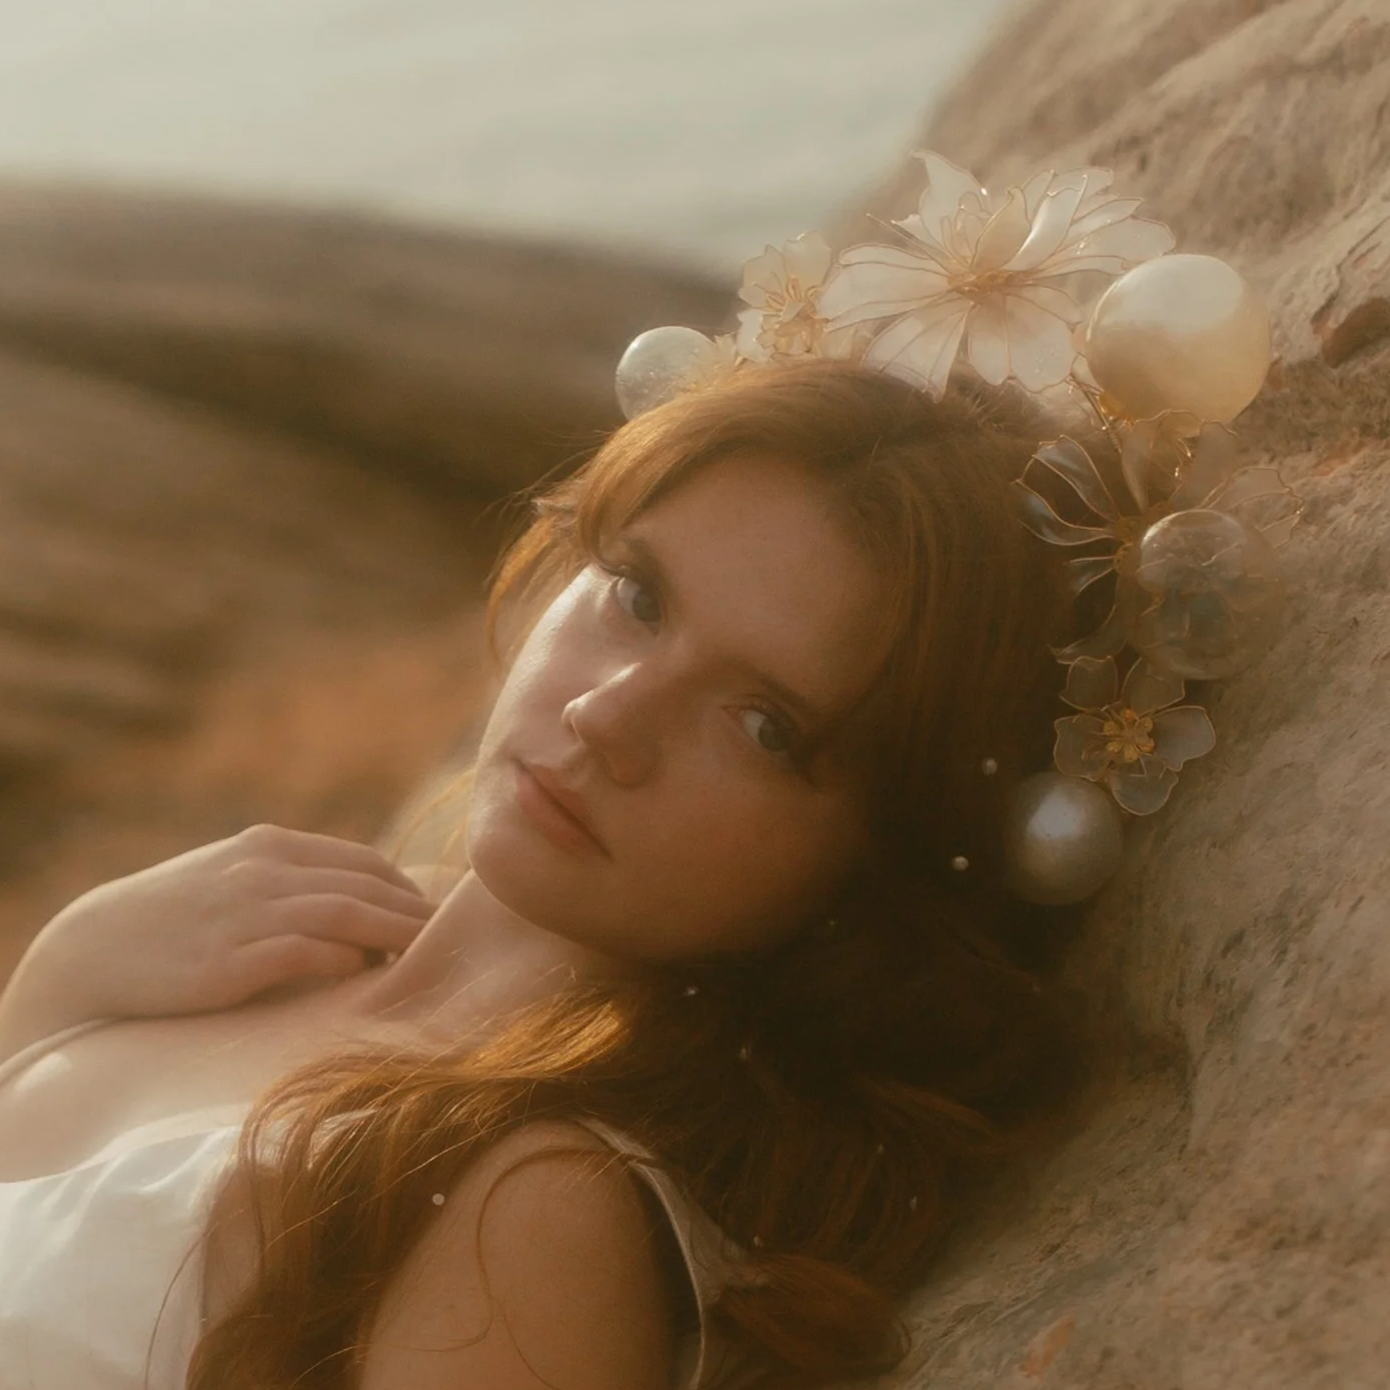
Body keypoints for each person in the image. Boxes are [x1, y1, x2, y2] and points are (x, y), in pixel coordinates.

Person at [0, 359, 1076, 1390]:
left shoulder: (530, 1210)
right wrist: (46, 994)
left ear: (873, 861)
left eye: (765, 726)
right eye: (639, 597)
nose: (606, 716)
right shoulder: (220, 956)